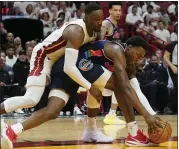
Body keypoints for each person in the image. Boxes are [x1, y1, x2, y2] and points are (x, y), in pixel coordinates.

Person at [1, 37, 163, 148]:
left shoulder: (130, 64)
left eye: (142, 57)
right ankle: (133, 134)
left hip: (68, 69)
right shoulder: (116, 50)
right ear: (129, 47)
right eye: (138, 54)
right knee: (119, 85)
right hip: (74, 64)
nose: (138, 58)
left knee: (52, 111)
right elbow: (125, 88)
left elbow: (135, 89)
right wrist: (147, 116)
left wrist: (150, 113)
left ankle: (13, 130)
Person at [0, 2, 104, 122]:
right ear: (85, 17)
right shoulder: (77, 31)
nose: (99, 22)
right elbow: (69, 67)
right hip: (43, 57)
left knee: (49, 107)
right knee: (31, 99)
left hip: (57, 60)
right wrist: (89, 87)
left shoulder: (97, 29)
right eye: (96, 19)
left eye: (101, 19)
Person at [100, 2, 125, 124]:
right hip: (104, 61)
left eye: (120, 10)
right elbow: (99, 42)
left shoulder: (116, 25)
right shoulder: (106, 24)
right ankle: (110, 115)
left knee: (117, 87)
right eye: (115, 10)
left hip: (112, 60)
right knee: (107, 89)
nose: (118, 13)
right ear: (109, 11)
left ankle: (111, 115)